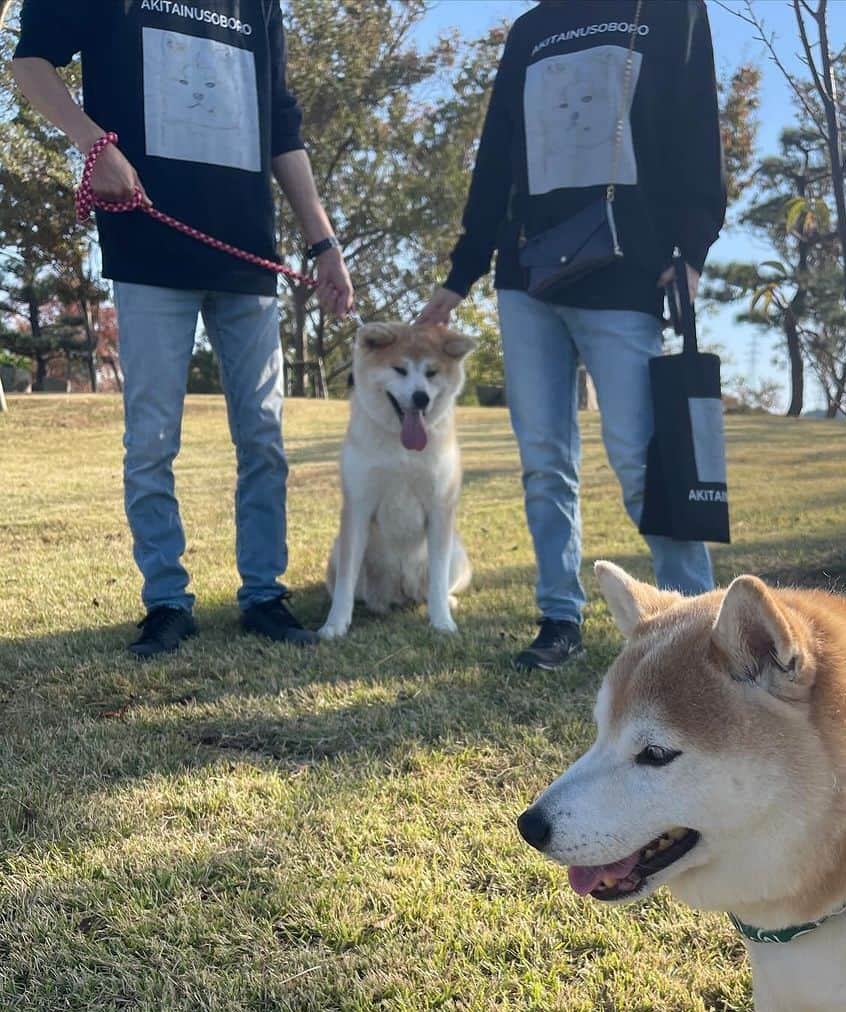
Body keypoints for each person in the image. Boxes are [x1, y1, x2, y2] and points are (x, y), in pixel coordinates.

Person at [12, 1, 354, 659]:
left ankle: (263, 595)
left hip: (247, 251)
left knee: (263, 436)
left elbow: (281, 124)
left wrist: (324, 242)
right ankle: (166, 603)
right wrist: (94, 145)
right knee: (151, 441)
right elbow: (29, 63)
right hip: (149, 247)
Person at [420, 0, 726, 671]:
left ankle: (701, 624)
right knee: (544, 459)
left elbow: (696, 131)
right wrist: (463, 272)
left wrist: (693, 250)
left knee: (644, 459)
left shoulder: (669, 12)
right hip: (527, 277)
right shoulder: (531, 29)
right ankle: (560, 617)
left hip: (628, 273)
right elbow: (497, 153)